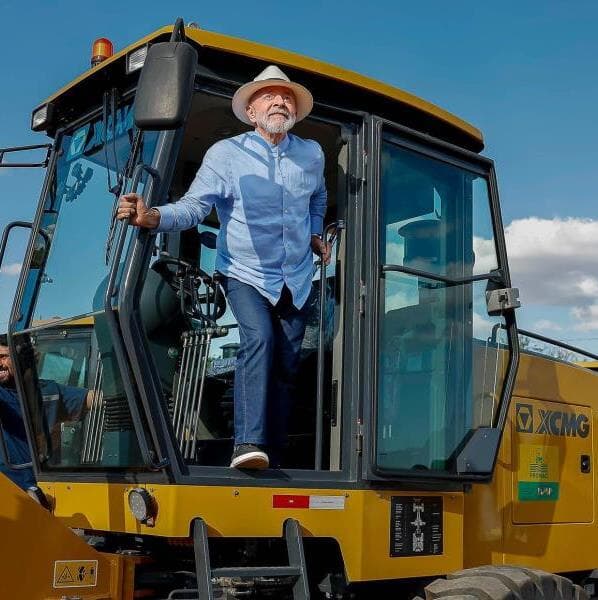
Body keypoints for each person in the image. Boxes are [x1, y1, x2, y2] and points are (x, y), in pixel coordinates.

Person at [118, 65, 329, 469]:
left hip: (297, 276)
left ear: (296, 110)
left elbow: (318, 197)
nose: (280, 102)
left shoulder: (311, 155)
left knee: (288, 362)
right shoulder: (226, 155)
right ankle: (246, 444)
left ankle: (275, 453)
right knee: (259, 339)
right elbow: (195, 207)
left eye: (286, 97)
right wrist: (153, 217)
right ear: (251, 112)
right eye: (269, 96)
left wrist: (316, 233)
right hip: (245, 273)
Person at [0, 334, 91, 488]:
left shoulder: (49, 391)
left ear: (20, 359)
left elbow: (92, 399)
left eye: (3, 357)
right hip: (12, 488)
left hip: (50, 484)